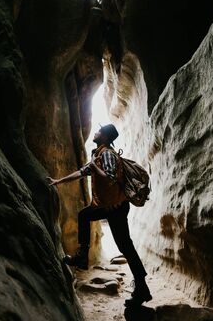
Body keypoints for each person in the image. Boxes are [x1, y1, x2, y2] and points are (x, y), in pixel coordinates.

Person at [47, 124, 152, 305]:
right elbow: (81, 172)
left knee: (88, 218)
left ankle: (82, 256)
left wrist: (95, 168)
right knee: (124, 245)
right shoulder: (100, 155)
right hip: (112, 206)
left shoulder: (107, 154)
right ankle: (141, 287)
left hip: (115, 207)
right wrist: (58, 181)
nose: (95, 132)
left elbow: (110, 177)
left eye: (98, 131)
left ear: (104, 137)